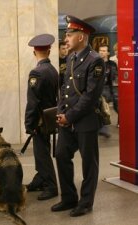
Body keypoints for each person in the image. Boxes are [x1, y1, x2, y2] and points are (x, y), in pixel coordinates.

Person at [52, 15, 105, 217]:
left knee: (88, 164)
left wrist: (70, 116)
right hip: (67, 120)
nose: (65, 38)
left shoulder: (95, 61)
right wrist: (60, 112)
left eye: (69, 34)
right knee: (62, 155)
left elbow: (91, 96)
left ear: (81, 37)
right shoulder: (71, 58)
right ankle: (68, 198)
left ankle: (86, 202)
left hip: (85, 121)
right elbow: (65, 89)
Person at [24, 34, 58, 201]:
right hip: (49, 117)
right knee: (41, 150)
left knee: (42, 153)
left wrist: (29, 123)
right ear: (49, 51)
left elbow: (32, 101)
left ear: (34, 52)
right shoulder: (52, 70)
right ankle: (40, 179)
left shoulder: (36, 72)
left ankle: (51, 186)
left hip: (39, 120)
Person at [98, 44, 118, 137]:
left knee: (116, 106)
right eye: (101, 50)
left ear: (108, 53)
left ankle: (103, 127)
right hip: (99, 89)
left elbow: (114, 79)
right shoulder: (96, 63)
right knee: (102, 107)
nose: (102, 52)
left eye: (104, 51)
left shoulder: (112, 64)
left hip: (108, 88)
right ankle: (103, 128)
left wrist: (114, 91)